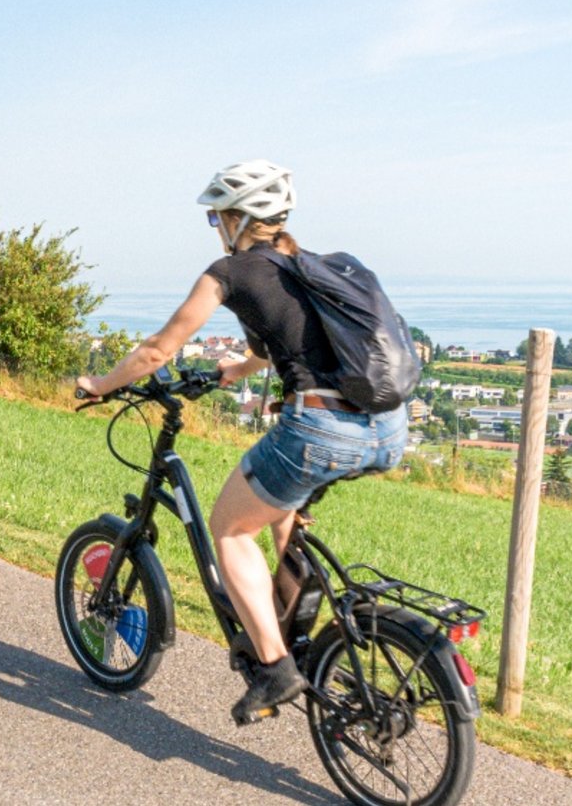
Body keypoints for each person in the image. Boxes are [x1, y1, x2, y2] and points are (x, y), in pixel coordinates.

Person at [74, 160, 407, 725]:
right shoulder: (307, 263)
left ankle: (276, 667)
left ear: (236, 219)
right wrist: (239, 369)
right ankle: (288, 624)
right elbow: (298, 336)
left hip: (320, 430)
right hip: (388, 428)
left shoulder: (229, 271)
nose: (216, 228)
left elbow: (158, 350)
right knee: (279, 507)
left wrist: (100, 384)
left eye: (217, 217)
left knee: (229, 529)